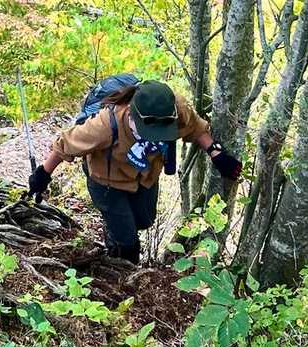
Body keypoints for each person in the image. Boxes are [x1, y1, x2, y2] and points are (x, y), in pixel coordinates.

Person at [27, 79, 241, 263]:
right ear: (132, 115)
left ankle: (117, 232)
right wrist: (43, 175)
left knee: (145, 220)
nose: (156, 136)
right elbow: (64, 145)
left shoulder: (176, 109)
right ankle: (120, 270)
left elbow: (196, 128)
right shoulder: (104, 125)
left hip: (146, 177)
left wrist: (216, 154)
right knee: (127, 243)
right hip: (107, 183)